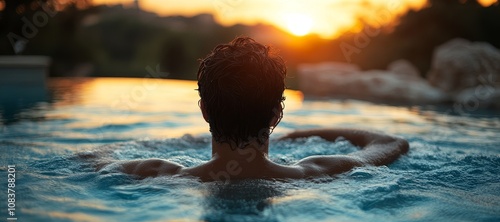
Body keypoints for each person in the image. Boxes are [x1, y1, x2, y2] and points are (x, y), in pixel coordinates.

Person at [98, 37, 409, 182]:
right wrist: (301, 135)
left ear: (205, 109)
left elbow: (95, 158)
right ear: (277, 114)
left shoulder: (163, 174)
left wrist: (164, 144)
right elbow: (390, 143)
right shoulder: (314, 172)